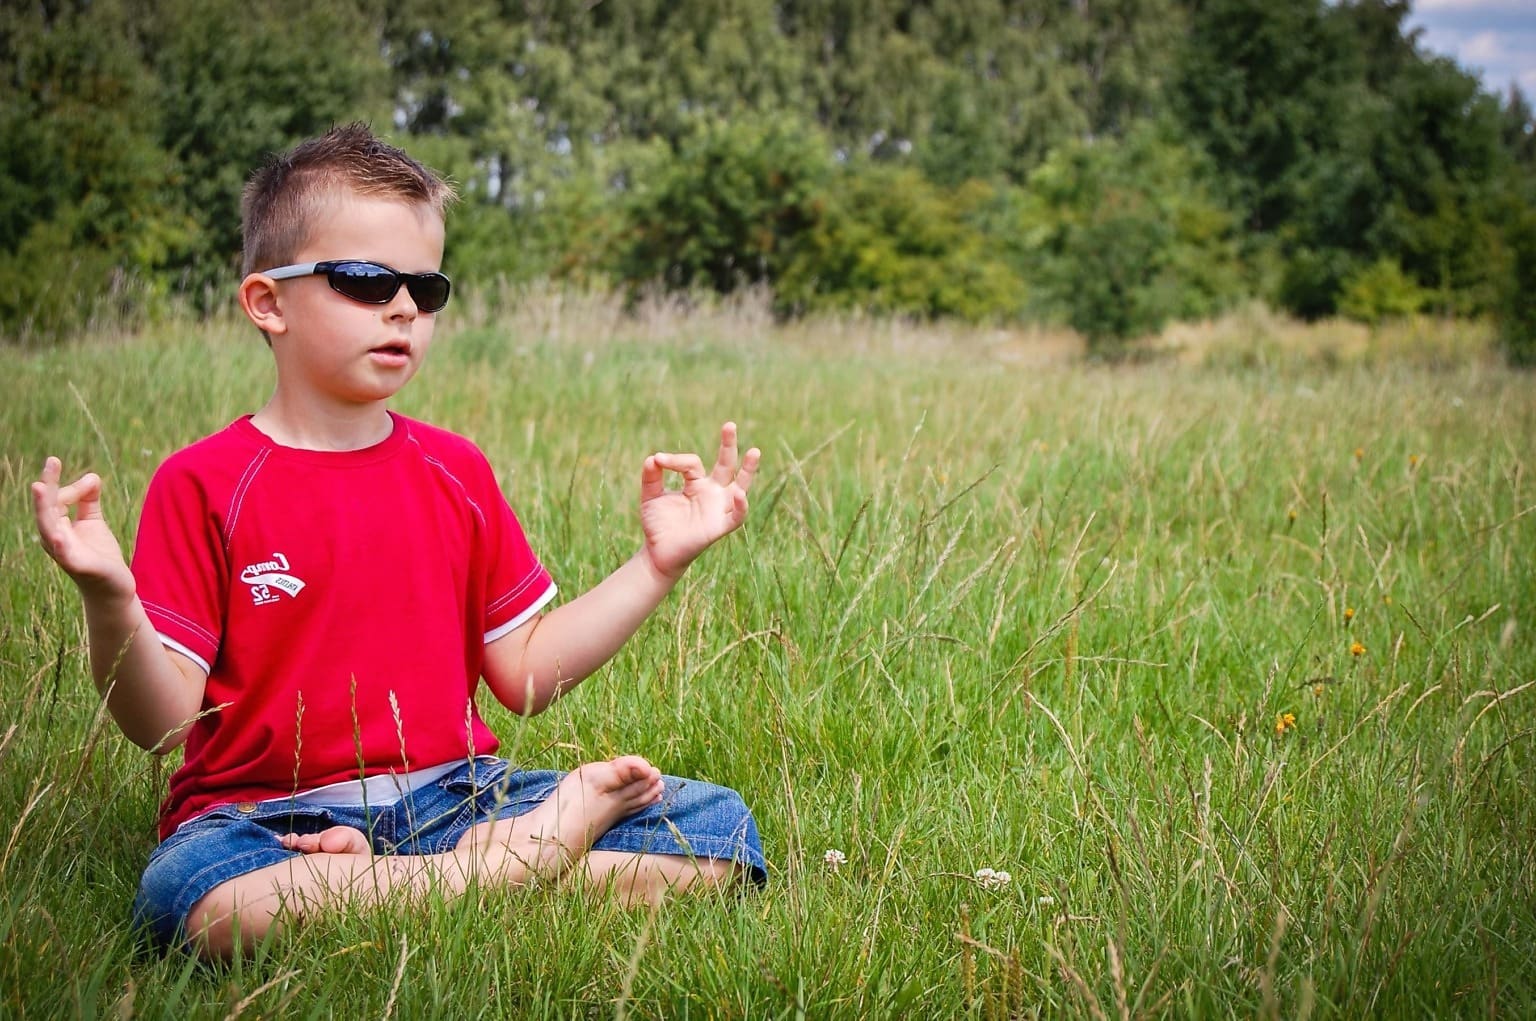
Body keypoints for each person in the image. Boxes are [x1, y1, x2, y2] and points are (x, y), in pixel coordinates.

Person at [29, 123, 767, 959]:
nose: (405, 307)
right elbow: (162, 725)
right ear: (267, 302)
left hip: (457, 797)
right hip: (264, 819)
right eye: (366, 279)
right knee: (195, 904)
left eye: (426, 285)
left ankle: (434, 877)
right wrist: (110, 598)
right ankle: (506, 872)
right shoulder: (204, 482)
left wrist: (656, 565)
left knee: (717, 830)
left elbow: (522, 674)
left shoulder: (455, 471)